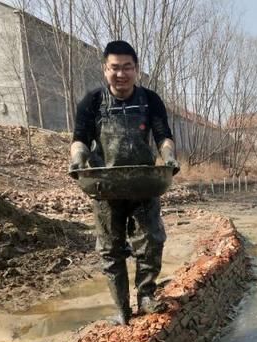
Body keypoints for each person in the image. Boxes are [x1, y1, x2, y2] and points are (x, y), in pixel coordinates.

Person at [70, 40, 179, 325]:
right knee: (110, 248)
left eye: (127, 67)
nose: (121, 74)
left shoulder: (150, 99)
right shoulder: (92, 102)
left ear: (136, 69)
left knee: (152, 241)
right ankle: (121, 307)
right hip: (106, 186)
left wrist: (168, 157)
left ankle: (146, 295)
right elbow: (80, 139)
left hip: (144, 183)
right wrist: (78, 161)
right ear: (105, 69)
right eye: (114, 68)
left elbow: (162, 135)